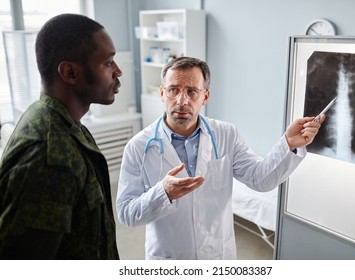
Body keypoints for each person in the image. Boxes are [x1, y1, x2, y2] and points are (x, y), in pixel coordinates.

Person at [116, 56, 325, 260]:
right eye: (173, 90)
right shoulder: (138, 147)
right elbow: (126, 213)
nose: (182, 100)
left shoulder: (226, 134)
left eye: (191, 91)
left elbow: (261, 179)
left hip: (217, 255)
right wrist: (163, 193)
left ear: (205, 97)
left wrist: (288, 143)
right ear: (162, 93)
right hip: (170, 257)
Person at [0, 14, 122, 259]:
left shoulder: (65, 123)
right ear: (70, 72)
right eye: (108, 63)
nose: (118, 72)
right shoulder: (47, 156)